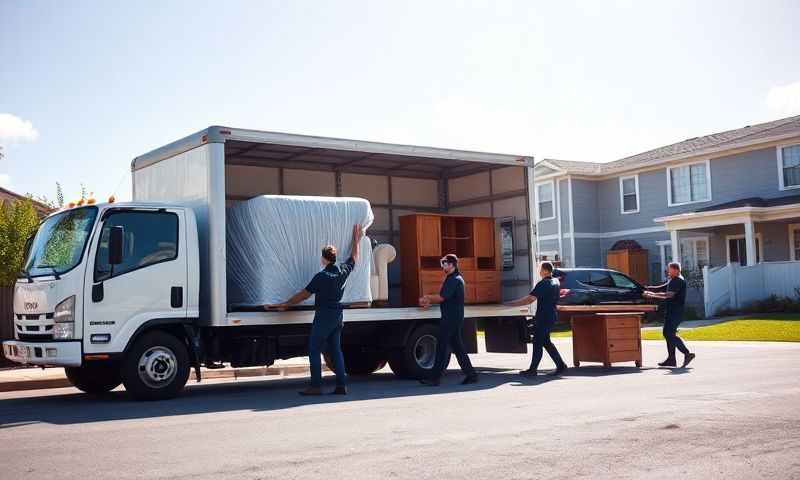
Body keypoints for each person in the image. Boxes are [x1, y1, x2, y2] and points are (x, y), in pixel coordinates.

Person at [266, 224, 364, 396]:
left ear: (323, 259)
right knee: (335, 350)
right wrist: (357, 239)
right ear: (334, 258)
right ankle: (342, 386)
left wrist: (283, 304)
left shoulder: (321, 276)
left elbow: (303, 295)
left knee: (313, 349)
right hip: (337, 316)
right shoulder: (343, 271)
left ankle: (316, 386)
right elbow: (354, 256)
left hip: (324, 315)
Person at [418, 254, 478, 386]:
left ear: (451, 265)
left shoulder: (454, 280)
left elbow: (442, 297)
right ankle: (471, 375)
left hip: (450, 319)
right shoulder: (454, 278)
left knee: (441, 347)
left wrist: (427, 298)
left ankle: (434, 379)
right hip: (453, 318)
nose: (443, 266)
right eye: (442, 263)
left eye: (444, 263)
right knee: (458, 347)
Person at [504, 261, 568, 377]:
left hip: (543, 317)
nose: (539, 271)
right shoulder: (556, 281)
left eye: (540, 269)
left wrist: (510, 304)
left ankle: (533, 370)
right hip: (551, 316)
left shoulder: (543, 283)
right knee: (546, 342)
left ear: (545, 270)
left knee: (537, 341)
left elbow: (529, 300)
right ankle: (561, 365)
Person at [644, 261, 696, 368]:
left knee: (669, 334)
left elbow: (669, 295)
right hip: (672, 312)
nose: (667, 270)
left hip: (675, 313)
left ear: (676, 270)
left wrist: (652, 295)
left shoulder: (677, 280)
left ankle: (687, 354)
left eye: (669, 269)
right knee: (668, 333)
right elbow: (662, 288)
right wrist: (647, 288)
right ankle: (671, 359)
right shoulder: (673, 280)